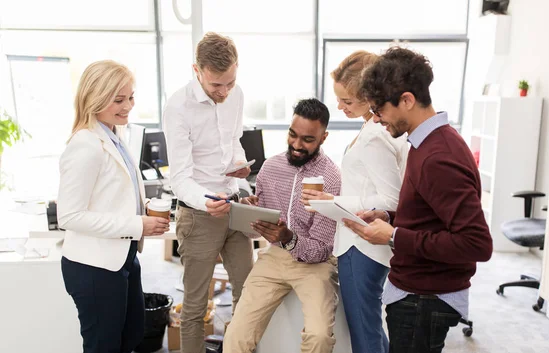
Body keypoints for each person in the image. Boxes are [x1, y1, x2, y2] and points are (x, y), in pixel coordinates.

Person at [344, 46, 494, 353]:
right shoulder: (426, 144)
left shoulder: (438, 156)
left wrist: (396, 236)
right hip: (418, 295)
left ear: (407, 100)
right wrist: (391, 219)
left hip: (424, 300)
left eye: (379, 109)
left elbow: (476, 243)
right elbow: (432, 215)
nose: (377, 119)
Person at [57, 60, 170, 353]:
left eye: (131, 97)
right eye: (118, 99)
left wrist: (142, 205)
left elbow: (110, 192)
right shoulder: (86, 144)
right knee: (103, 346)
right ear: (94, 98)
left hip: (123, 256)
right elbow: (69, 216)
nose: (128, 106)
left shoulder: (113, 134)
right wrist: (137, 223)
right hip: (94, 266)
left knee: (131, 336)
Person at [301, 50, 408, 353]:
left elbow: (391, 199)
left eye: (347, 101)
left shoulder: (376, 135)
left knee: (364, 332)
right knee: (368, 326)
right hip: (357, 241)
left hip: (362, 245)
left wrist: (333, 200)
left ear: (370, 95)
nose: (339, 107)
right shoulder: (372, 125)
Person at [223, 98, 342, 353]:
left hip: (315, 265)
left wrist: (289, 237)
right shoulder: (270, 167)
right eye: (292, 135)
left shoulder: (331, 177)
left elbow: (321, 249)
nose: (297, 145)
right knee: (236, 335)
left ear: (323, 137)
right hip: (274, 257)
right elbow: (253, 230)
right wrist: (250, 211)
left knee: (319, 336)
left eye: (308, 139)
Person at [162, 32, 253, 353]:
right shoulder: (178, 107)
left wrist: (241, 164)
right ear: (196, 71)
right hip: (199, 214)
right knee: (196, 306)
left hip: (234, 207)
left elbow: (234, 141)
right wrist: (205, 201)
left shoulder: (236, 94)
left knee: (249, 295)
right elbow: (180, 178)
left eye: (230, 82)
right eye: (216, 85)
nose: (225, 92)